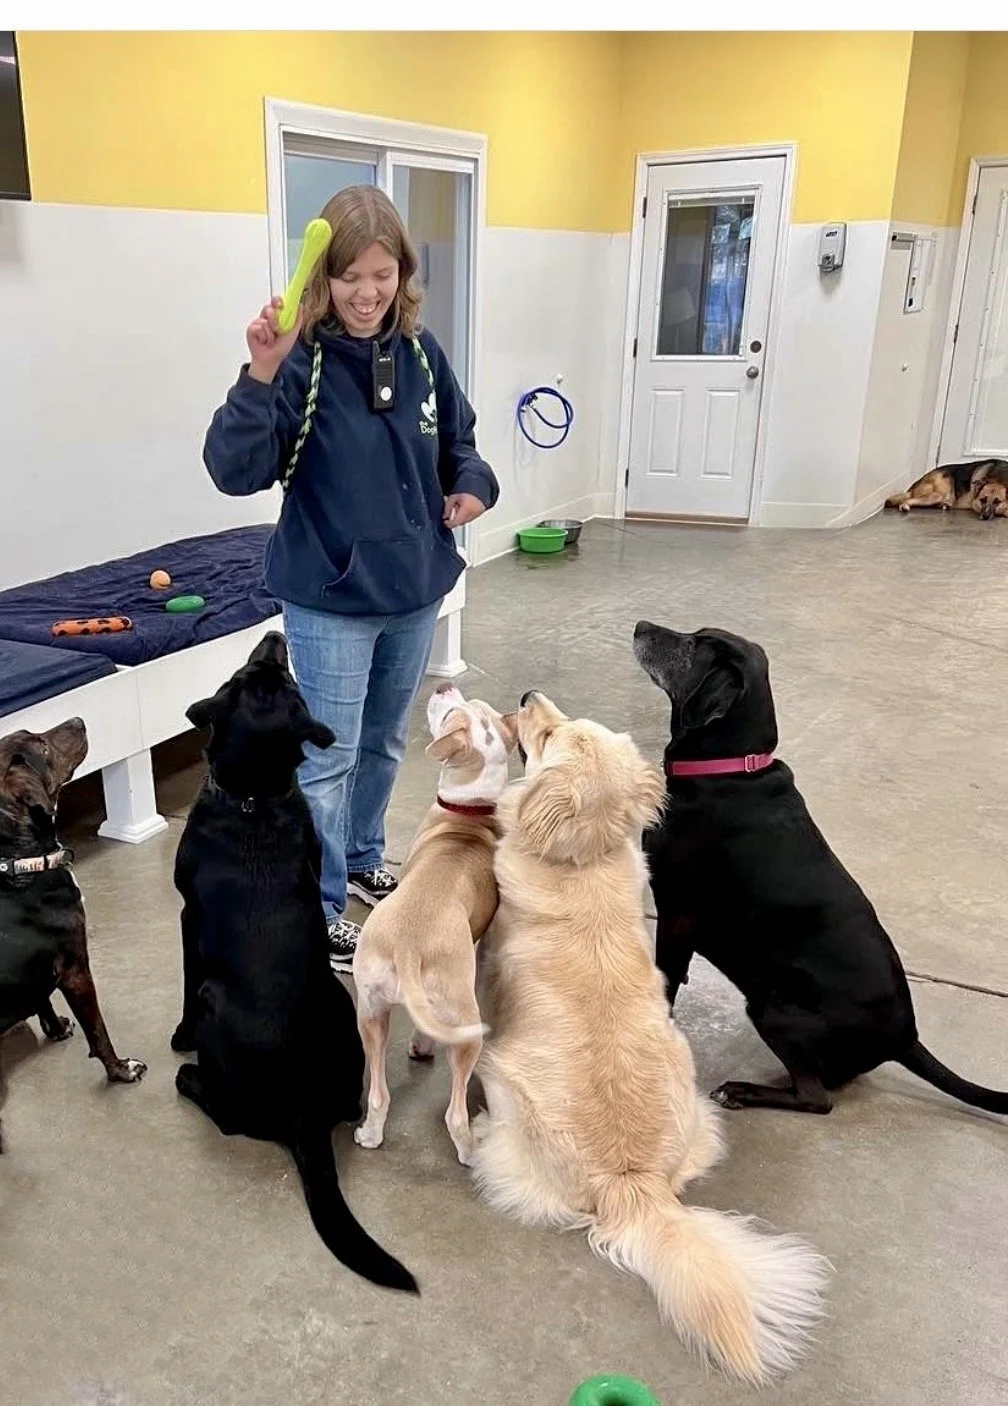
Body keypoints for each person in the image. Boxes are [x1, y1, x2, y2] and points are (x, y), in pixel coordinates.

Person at [203, 185, 499, 971]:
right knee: (326, 761)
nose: (367, 294)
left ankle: (366, 855)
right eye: (349, 278)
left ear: (403, 272)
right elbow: (233, 471)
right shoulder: (296, 360)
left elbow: (459, 443)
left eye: (382, 274)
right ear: (323, 281)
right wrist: (260, 373)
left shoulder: (422, 353)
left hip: (414, 587)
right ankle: (325, 903)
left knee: (384, 743)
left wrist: (473, 483)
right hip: (330, 597)